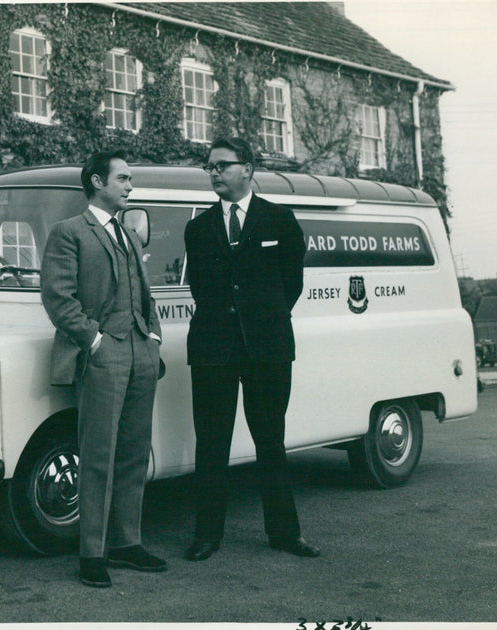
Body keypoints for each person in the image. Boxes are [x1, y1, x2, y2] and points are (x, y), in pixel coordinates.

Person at [183, 137, 320, 561]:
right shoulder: (198, 227)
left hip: (267, 348)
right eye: (209, 167)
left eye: (222, 165)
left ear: (248, 168)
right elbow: (199, 289)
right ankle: (207, 535)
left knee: (271, 442)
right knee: (211, 444)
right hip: (213, 349)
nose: (214, 173)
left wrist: (261, 320)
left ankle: (284, 533)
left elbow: (290, 284)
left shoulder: (279, 220)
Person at [41, 149, 166, 587]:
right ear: (97, 182)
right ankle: (91, 553)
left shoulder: (130, 235)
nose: (130, 186)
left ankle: (127, 544)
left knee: (134, 452)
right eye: (124, 179)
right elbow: (59, 298)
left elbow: (145, 296)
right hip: (102, 354)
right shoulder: (69, 232)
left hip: (140, 354)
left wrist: (152, 337)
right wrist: (93, 340)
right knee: (97, 455)